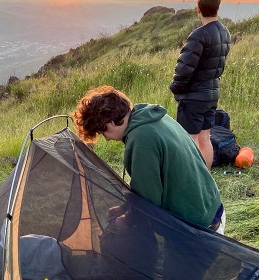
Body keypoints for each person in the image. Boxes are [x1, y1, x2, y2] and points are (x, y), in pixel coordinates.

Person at [73, 86, 226, 279]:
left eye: (103, 132)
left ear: (110, 121)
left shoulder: (141, 138)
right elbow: (147, 185)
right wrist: (124, 208)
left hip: (196, 232)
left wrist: (125, 221)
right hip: (211, 209)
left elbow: (148, 202)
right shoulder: (153, 116)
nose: (107, 138)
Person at [170, 0, 231, 170]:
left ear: (198, 8)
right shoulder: (225, 32)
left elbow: (184, 69)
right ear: (217, 8)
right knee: (205, 137)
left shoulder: (198, 35)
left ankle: (193, 179)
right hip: (212, 94)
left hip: (194, 96)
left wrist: (176, 88)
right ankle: (206, 176)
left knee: (190, 140)